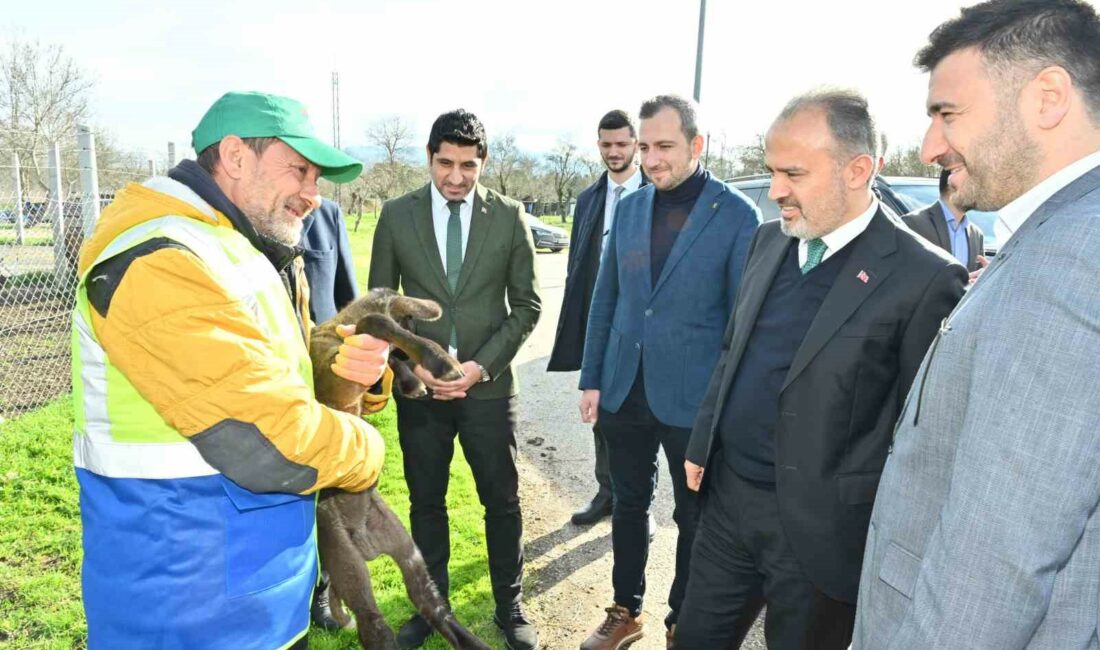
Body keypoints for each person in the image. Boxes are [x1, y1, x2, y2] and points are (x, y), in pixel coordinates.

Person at [71, 90, 390, 649]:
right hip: (183, 602)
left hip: (250, 590)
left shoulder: (233, 246)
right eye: (301, 171)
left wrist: (344, 370)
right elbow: (268, 439)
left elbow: (270, 375)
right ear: (237, 157)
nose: (314, 196)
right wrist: (366, 450)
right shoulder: (158, 258)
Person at [673, 89, 967, 649]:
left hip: (822, 535)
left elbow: (922, 438)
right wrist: (702, 438)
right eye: (771, 171)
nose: (776, 190)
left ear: (858, 170)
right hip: (728, 505)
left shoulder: (925, 278)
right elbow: (734, 349)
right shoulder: (767, 241)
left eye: (794, 173)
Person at [855, 1, 1100, 647]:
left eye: (948, 113)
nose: (931, 146)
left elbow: (994, 569)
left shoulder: (1070, 260)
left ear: (1047, 97)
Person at [577, 94, 760, 650]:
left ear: (697, 145)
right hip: (623, 388)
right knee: (628, 503)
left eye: (664, 147)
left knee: (693, 514)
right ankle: (625, 609)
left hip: (693, 401)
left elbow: (739, 325)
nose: (650, 159)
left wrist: (722, 408)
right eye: (645, 146)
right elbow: (606, 299)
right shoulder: (629, 208)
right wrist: (591, 377)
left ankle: (683, 618)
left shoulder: (736, 216)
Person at [368, 108, 541, 650]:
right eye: (446, 163)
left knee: (502, 501)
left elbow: (527, 306)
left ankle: (510, 605)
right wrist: (413, 365)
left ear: (482, 162)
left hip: (488, 390)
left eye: (469, 165)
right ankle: (429, 606)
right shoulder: (396, 215)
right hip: (422, 395)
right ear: (429, 157)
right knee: (426, 502)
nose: (457, 176)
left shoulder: (510, 216)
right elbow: (379, 308)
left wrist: (479, 366)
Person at [547, 109, 654, 537]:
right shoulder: (588, 199)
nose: (614, 152)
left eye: (623, 144)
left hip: (644, 329)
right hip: (602, 324)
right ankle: (605, 493)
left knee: (644, 420)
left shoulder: (656, 193)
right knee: (604, 415)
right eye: (606, 145)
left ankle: (637, 507)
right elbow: (579, 266)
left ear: (636, 145)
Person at [902, 167, 986, 274]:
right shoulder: (912, 224)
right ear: (952, 181)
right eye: (973, 184)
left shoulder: (977, 235)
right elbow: (903, 279)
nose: (979, 191)